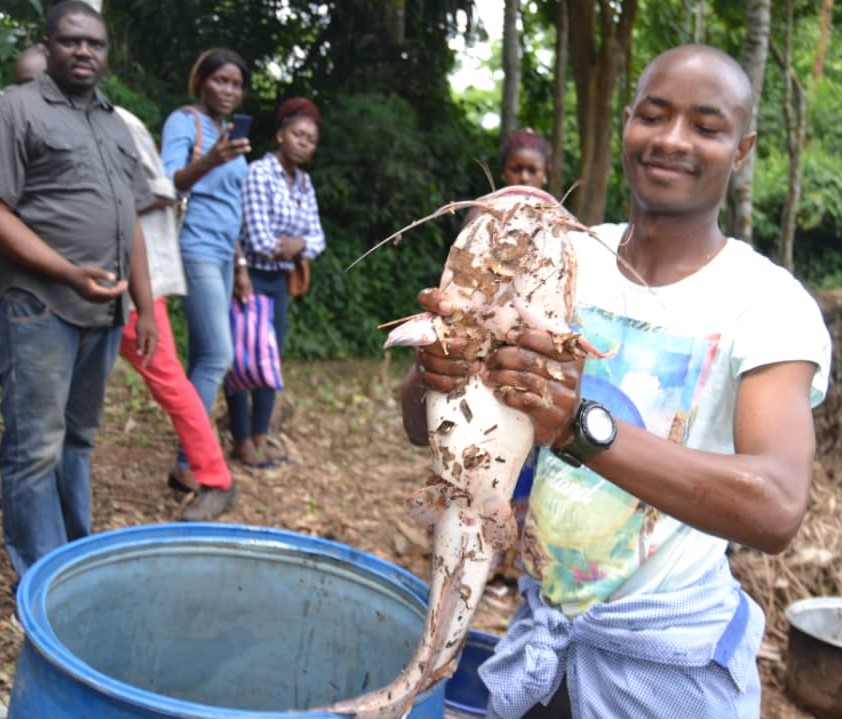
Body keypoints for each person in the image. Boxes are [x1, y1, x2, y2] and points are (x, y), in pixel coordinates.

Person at [399, 44, 831, 718]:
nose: (672, 141)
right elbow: (429, 421)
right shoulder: (560, 254)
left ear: (742, 149)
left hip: (667, 666)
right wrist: (435, 373)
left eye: (706, 127)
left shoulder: (767, 304)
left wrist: (577, 427)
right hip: (541, 640)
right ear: (627, 121)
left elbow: (775, 506)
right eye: (653, 116)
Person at [10, 44, 235, 523]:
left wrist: (99, 210)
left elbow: (159, 190)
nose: (33, 95)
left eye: (37, 84)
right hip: (54, 292)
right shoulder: (20, 119)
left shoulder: (116, 123)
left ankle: (215, 476)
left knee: (167, 377)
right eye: (24, 86)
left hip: (122, 285)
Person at [0, 0, 158, 580]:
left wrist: (146, 309)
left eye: (94, 43)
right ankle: (41, 576)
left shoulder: (115, 123)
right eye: (70, 41)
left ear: (107, 53)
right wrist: (67, 272)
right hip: (41, 305)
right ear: (47, 47)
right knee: (34, 447)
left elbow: (132, 221)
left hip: (107, 310)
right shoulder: (14, 109)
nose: (84, 51)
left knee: (79, 440)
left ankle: (75, 556)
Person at [160, 47, 252, 497]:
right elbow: (166, 181)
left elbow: (233, 206)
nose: (228, 90)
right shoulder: (185, 122)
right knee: (218, 355)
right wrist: (211, 159)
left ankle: (187, 461)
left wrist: (240, 265)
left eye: (236, 84)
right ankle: (188, 461)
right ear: (201, 81)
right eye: (221, 81)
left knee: (204, 357)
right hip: (193, 246)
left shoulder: (229, 134)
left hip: (221, 253)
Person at [225, 97, 326, 467]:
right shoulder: (258, 173)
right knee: (240, 359)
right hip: (248, 277)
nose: (303, 142)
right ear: (281, 134)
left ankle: (260, 436)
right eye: (297, 134)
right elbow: (258, 239)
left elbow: (318, 239)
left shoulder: (304, 182)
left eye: (310, 139)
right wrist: (298, 245)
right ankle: (240, 439)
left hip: (280, 282)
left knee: (270, 360)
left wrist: (298, 245)